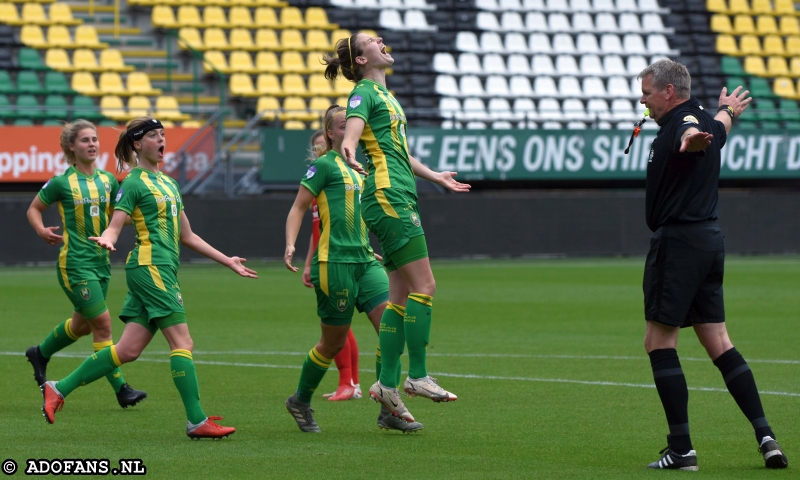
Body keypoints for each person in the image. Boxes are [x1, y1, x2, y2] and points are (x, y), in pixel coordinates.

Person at [40, 117, 258, 439]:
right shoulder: (132, 182)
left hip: (160, 269)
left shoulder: (170, 184)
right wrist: (109, 237)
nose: (161, 139)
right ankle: (197, 421)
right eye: (154, 135)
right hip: (150, 268)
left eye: (163, 134)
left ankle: (58, 388)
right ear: (138, 144)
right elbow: (116, 222)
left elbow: (188, 235)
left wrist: (228, 261)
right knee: (182, 342)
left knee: (127, 350)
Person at [637, 59, 788, 470]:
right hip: (709, 240)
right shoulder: (706, 116)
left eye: (648, 93)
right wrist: (729, 111)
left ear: (669, 91)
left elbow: (692, 133)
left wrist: (691, 139)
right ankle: (766, 436)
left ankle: (681, 449)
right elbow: (717, 126)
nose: (643, 100)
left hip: (679, 242)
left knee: (658, 342)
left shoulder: (682, 123)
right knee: (719, 342)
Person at [323, 33, 470, 423]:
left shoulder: (386, 96)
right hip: (389, 197)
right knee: (426, 286)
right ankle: (417, 376)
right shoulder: (364, 93)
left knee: (400, 298)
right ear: (361, 57)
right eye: (373, 40)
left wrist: (435, 177)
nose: (383, 40)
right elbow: (352, 131)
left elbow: (399, 152)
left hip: (397, 191)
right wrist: (349, 148)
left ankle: (386, 384)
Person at [284, 105, 423, 433]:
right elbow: (298, 207)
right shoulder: (323, 167)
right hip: (334, 265)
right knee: (331, 343)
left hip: (365, 261)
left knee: (390, 329)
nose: (351, 128)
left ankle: (387, 409)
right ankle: (300, 400)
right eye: (344, 125)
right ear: (331, 134)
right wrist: (290, 244)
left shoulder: (365, 169)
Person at [25, 120, 146, 408]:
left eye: (94, 139)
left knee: (81, 326)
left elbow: (117, 217)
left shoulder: (107, 180)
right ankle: (122, 390)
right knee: (102, 326)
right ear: (71, 147)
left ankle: (40, 353)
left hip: (101, 263)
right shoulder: (61, 182)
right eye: (84, 140)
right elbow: (34, 208)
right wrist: (41, 230)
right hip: (76, 265)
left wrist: (144, 218)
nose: (92, 144)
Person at [303, 130, 363, 402]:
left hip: (345, 258)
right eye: (314, 149)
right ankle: (351, 382)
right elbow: (317, 230)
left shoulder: (346, 176)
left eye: (320, 147)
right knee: (338, 325)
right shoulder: (320, 179)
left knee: (339, 325)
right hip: (325, 258)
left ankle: (350, 382)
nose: (319, 152)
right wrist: (307, 263)